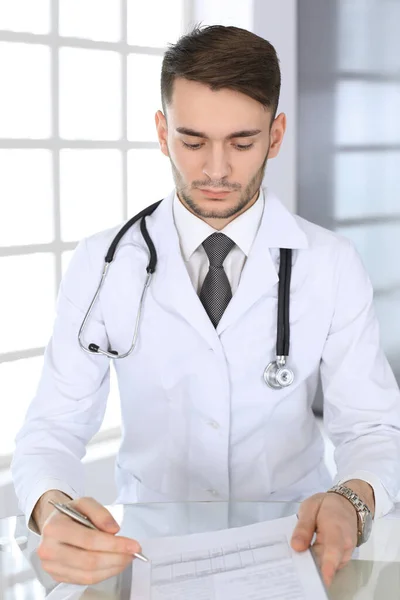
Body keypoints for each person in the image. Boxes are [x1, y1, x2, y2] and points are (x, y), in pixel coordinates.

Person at [11, 24, 400, 588]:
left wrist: (354, 499)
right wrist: (51, 507)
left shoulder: (331, 263)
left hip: (295, 546)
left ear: (275, 134)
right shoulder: (103, 263)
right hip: (149, 555)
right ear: (162, 132)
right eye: (193, 142)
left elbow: (371, 426)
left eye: (242, 142)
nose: (216, 170)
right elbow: (51, 427)